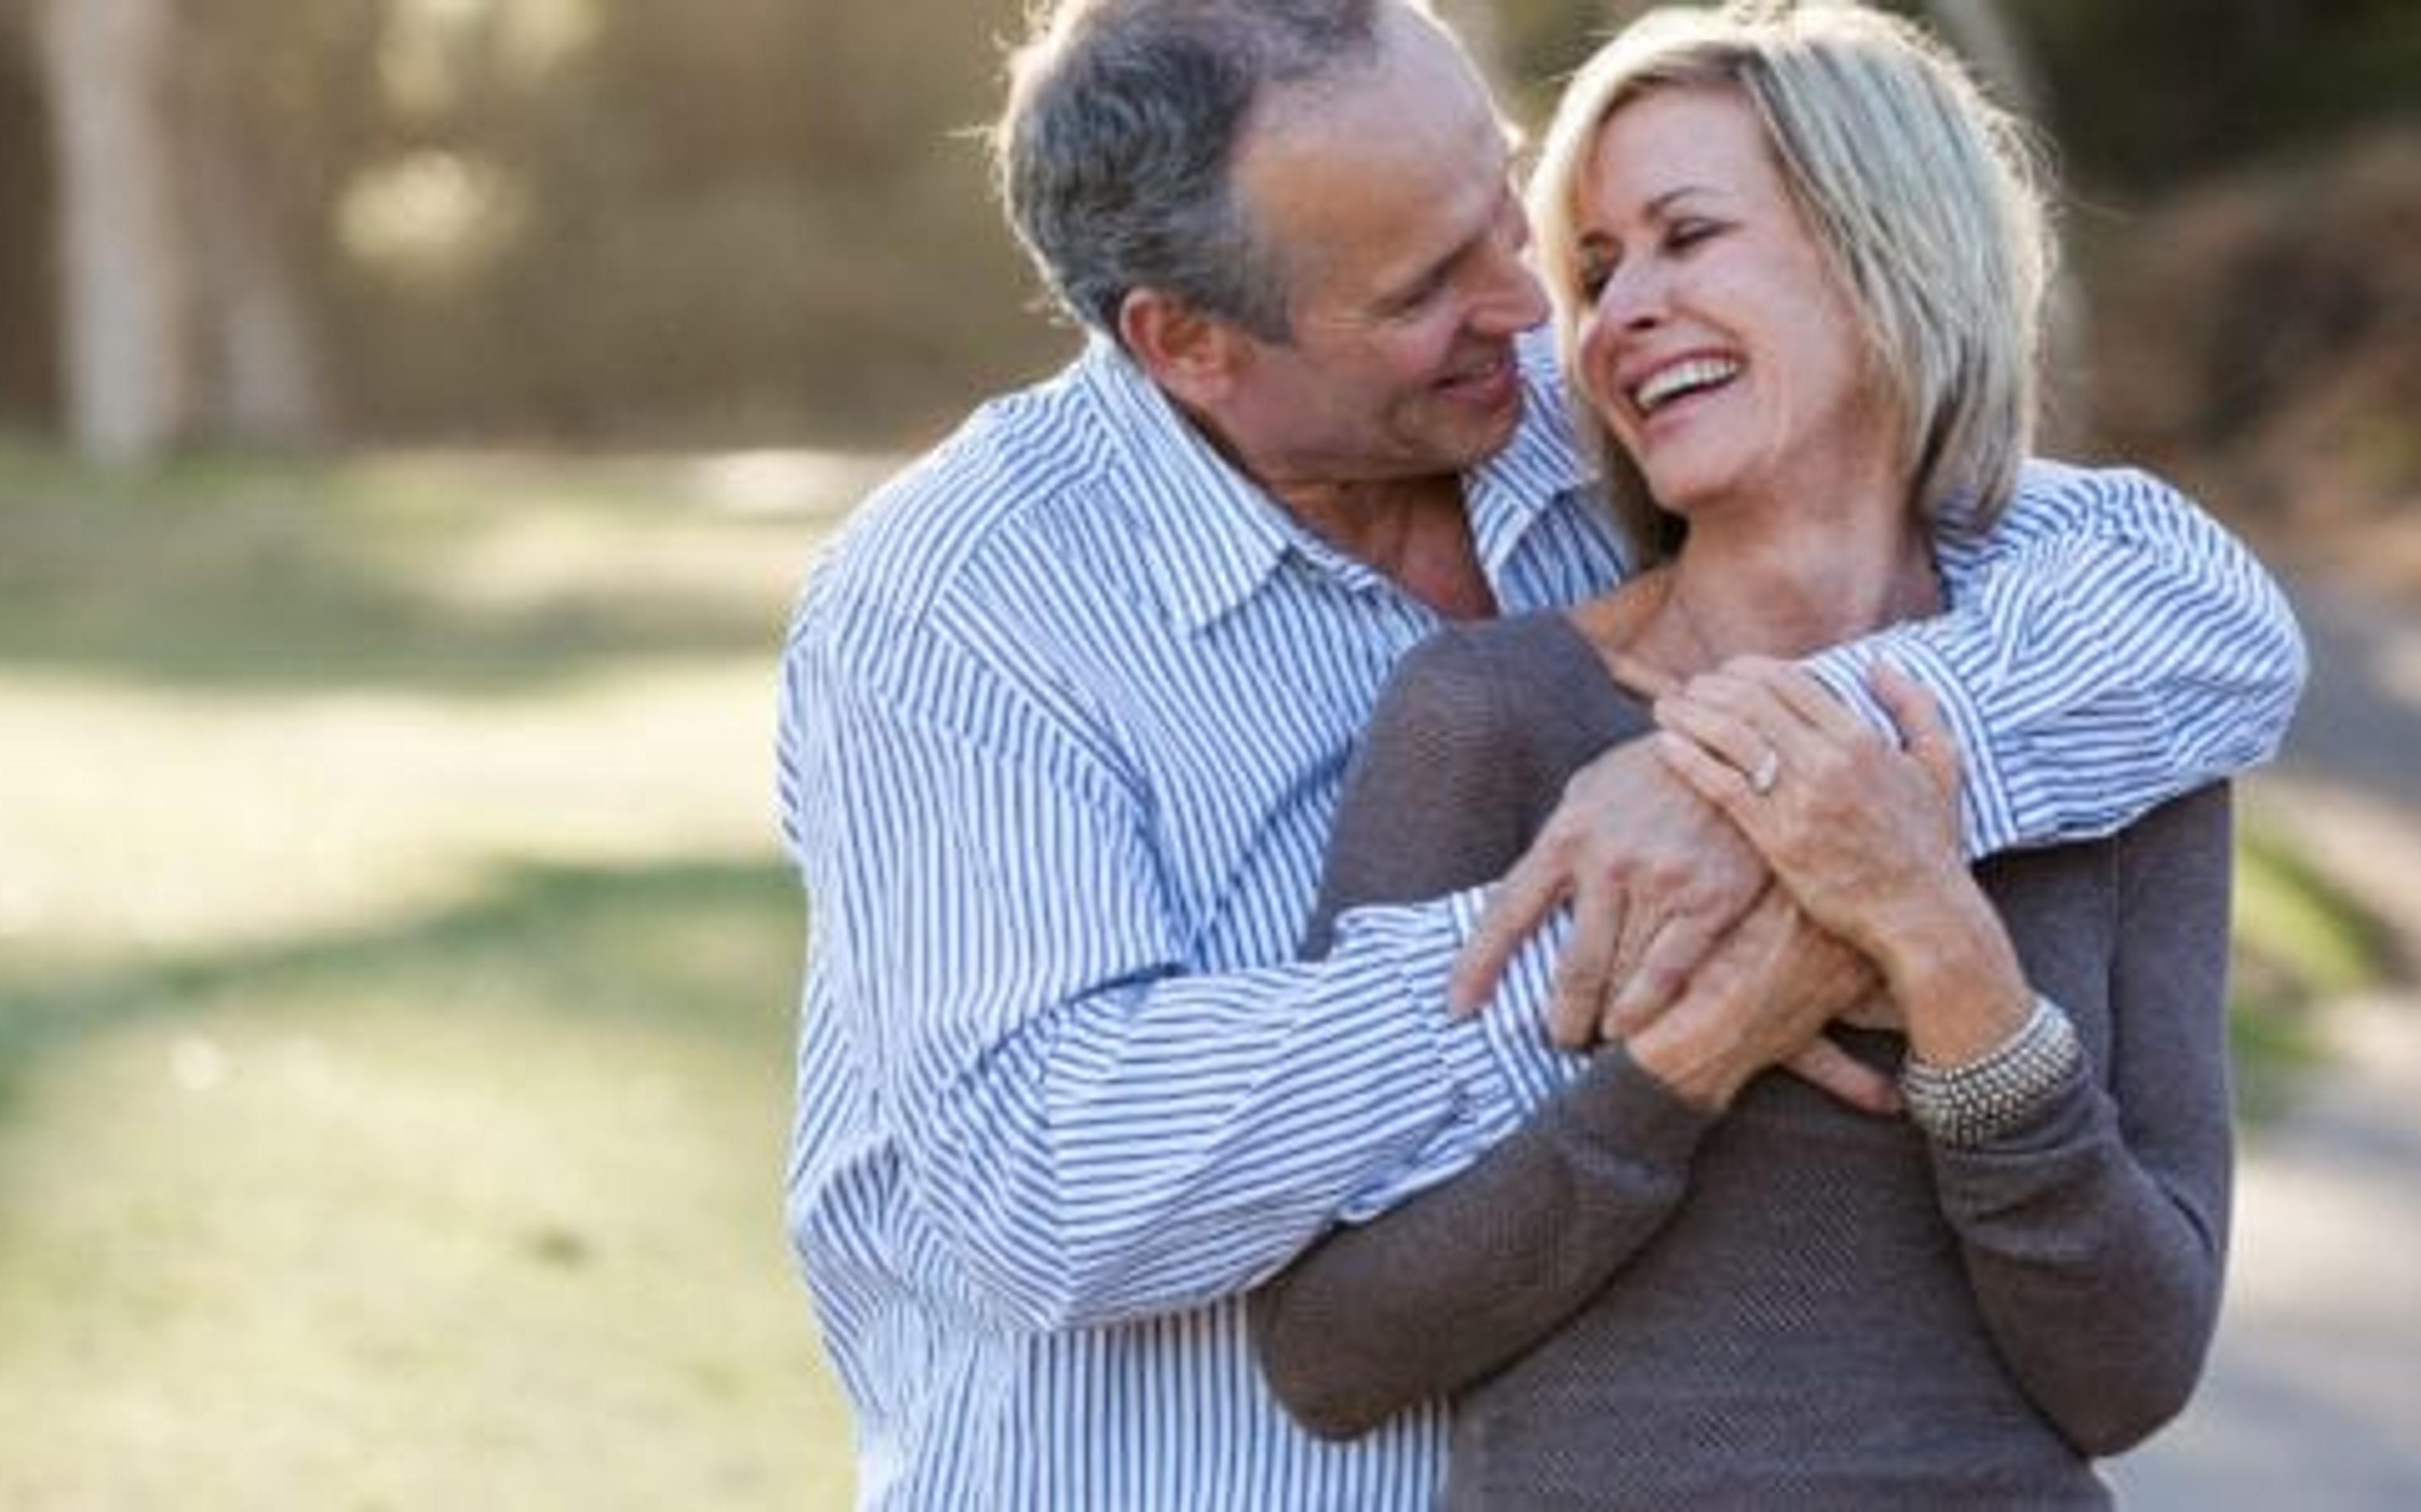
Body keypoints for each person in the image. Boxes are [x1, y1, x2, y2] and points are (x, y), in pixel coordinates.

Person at [773, 0, 2302, 1505]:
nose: (1530, 300)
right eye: (1431, 278)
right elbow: (1047, 1182)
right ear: (1188, 343)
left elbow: (2193, 609)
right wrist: (1645, 959)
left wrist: (1789, 776)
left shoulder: (1607, 409)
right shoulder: (960, 610)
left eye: (1506, 203)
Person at [1249, 6, 2237, 1504]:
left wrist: (1936, 942)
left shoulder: (2112, 718)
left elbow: (2133, 1371)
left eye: (1685, 235)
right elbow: (1334, 1349)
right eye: (1595, 270)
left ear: (1883, 250)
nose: (1617, 309)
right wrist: (1700, 1052)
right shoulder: (1495, 715)